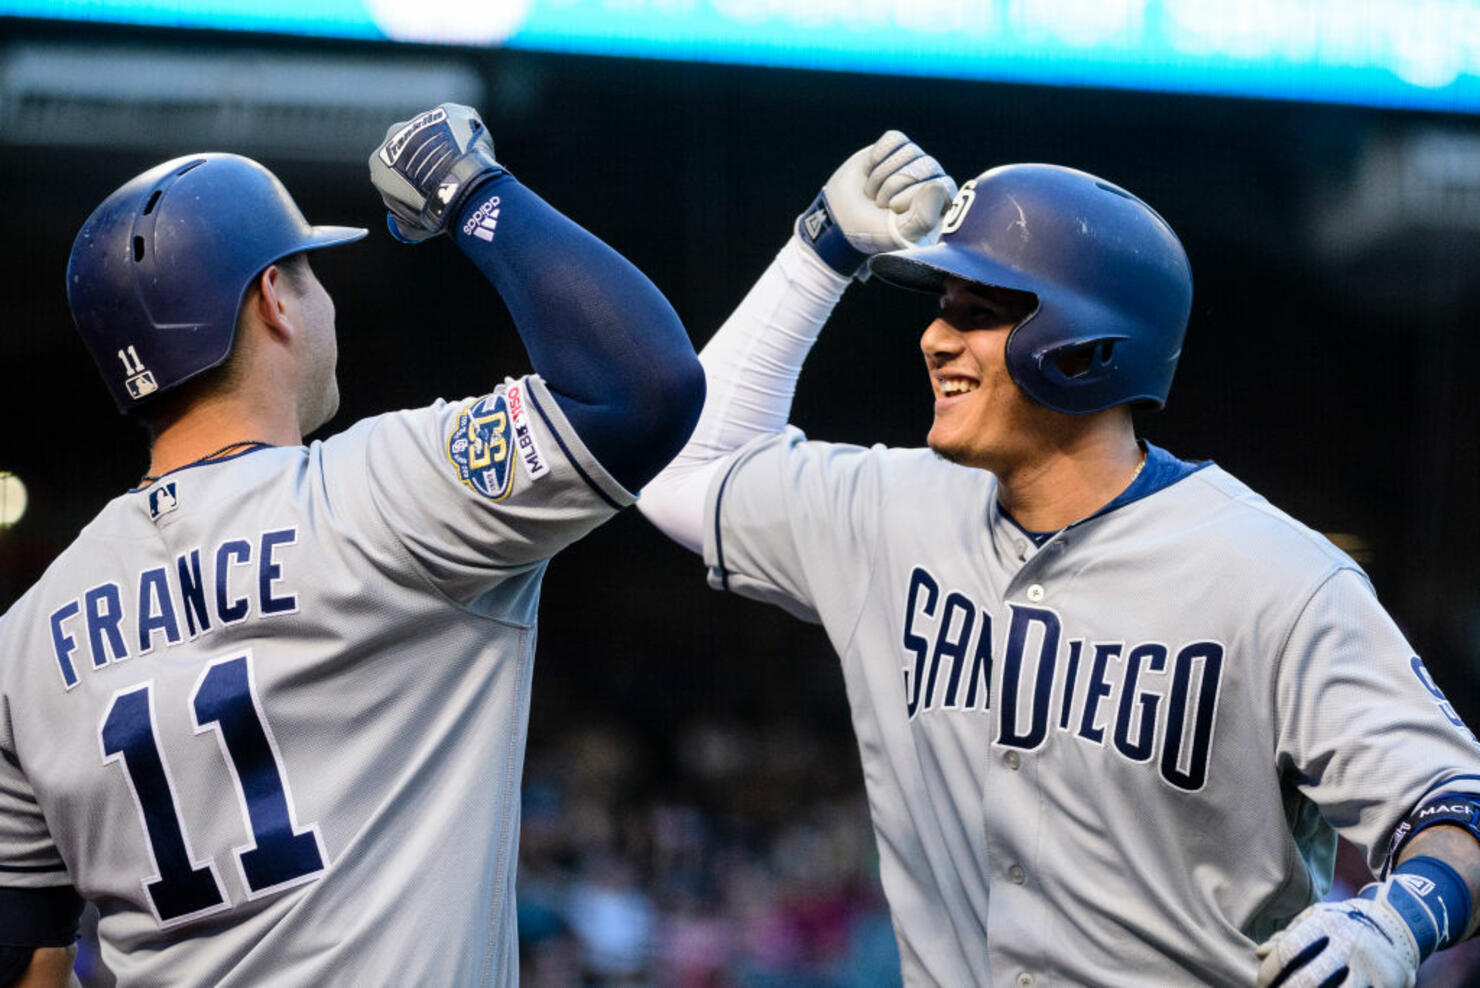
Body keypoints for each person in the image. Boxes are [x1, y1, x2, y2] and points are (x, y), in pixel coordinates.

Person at [637, 131, 1480, 986]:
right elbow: (678, 473)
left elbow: (1460, 804)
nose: (934, 339)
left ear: (1086, 345)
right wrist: (819, 251)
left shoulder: (1279, 579)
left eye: (977, 311)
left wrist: (1398, 921)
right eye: (941, 306)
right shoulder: (889, 509)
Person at [0, 103, 703, 984]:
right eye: (309, 272)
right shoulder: (375, 495)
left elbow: (26, 957)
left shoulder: (23, 641)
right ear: (273, 301)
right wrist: (469, 189)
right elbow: (645, 389)